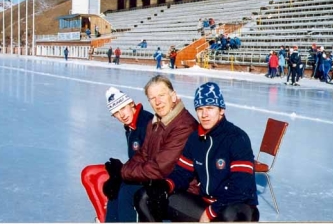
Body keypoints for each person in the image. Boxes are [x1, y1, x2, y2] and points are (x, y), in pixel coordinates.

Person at [136, 82, 259, 222]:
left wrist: (210, 213)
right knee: (147, 197)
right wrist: (165, 186)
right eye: (200, 109)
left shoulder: (237, 138)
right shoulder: (195, 139)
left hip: (238, 208)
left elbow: (240, 189)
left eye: (210, 108)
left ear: (221, 110)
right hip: (206, 204)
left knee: (229, 215)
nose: (204, 114)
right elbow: (182, 173)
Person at [105, 75, 198, 222]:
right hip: (159, 181)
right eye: (152, 98)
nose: (158, 102)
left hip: (180, 188)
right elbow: (142, 155)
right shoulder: (156, 123)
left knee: (129, 192)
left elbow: (160, 168)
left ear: (173, 96)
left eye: (161, 95)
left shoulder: (184, 125)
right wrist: (120, 176)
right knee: (119, 188)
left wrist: (122, 172)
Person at [81, 87, 154, 223]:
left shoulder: (145, 123)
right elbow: (137, 158)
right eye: (116, 113)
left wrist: (123, 172)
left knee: (125, 192)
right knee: (114, 191)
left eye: (123, 108)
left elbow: (151, 160)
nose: (121, 115)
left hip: (154, 177)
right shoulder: (131, 127)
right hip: (140, 173)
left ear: (131, 103)